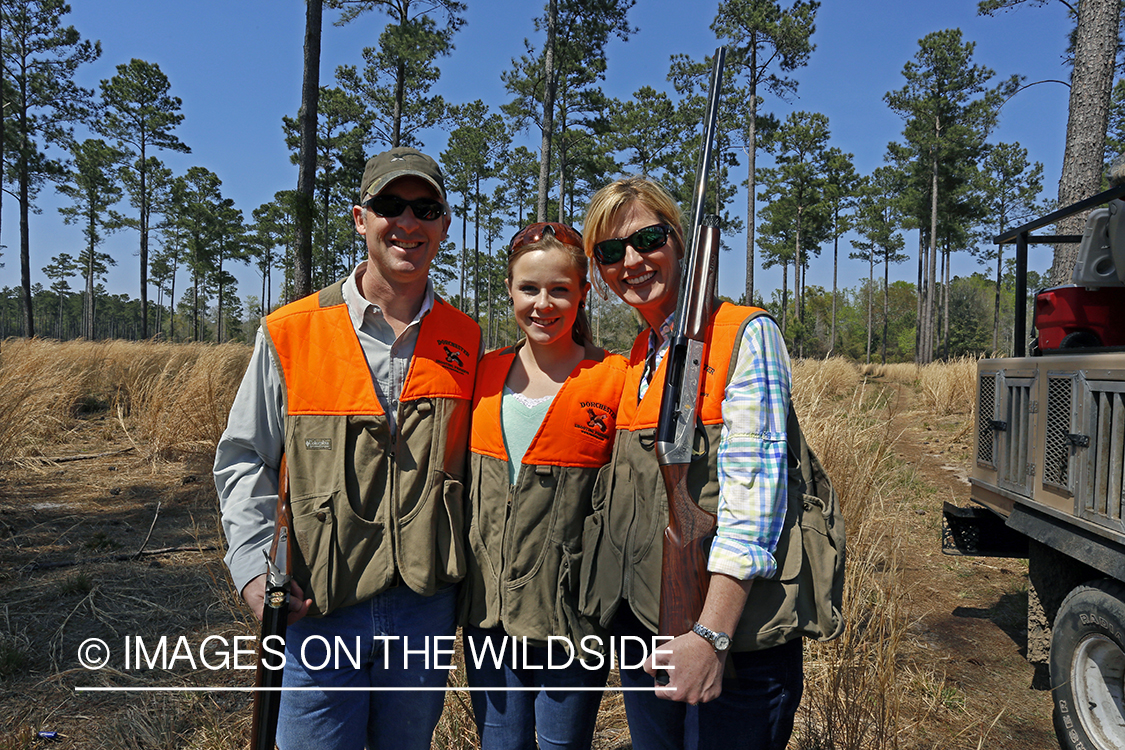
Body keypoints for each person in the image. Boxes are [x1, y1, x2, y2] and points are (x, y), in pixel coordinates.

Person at [214, 146, 480, 750]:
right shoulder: (291, 330)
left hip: (423, 610)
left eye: (425, 208)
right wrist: (255, 570)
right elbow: (244, 458)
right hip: (319, 606)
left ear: (443, 224)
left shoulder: (467, 339)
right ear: (361, 218)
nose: (407, 223)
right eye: (390, 205)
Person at [580, 176, 806, 750]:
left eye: (647, 239)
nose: (630, 261)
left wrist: (710, 637)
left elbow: (753, 502)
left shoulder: (743, 335)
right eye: (608, 252)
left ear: (680, 242)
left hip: (733, 648)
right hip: (649, 636)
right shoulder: (639, 355)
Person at [460, 222, 628, 750]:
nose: (543, 304)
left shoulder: (615, 378)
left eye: (559, 289)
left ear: (583, 292)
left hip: (574, 620)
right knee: (501, 743)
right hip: (489, 617)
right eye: (529, 288)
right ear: (509, 290)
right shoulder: (479, 376)